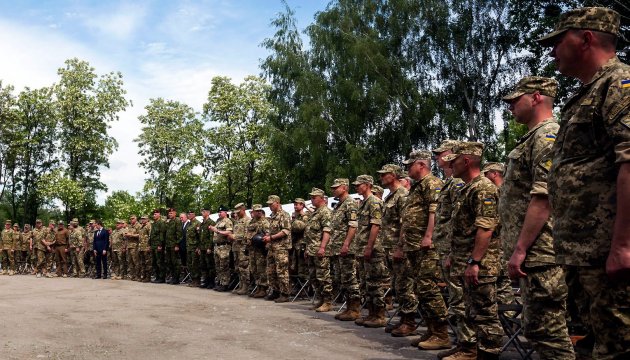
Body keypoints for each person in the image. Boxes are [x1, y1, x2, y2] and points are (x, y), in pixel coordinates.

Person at [537, 7, 630, 359]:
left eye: (558, 41)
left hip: (608, 252)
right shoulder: (586, 93)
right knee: (594, 345)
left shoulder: (620, 85)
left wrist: (624, 245)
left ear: (586, 38)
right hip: (584, 254)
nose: (551, 51)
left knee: (617, 347)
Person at [499, 76, 575, 359]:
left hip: (541, 252)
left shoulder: (547, 135)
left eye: (516, 100)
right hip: (534, 253)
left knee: (548, 332)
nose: (511, 107)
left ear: (537, 97)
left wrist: (520, 249)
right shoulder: (533, 137)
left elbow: (543, 198)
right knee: (536, 329)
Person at [443, 142, 504, 360]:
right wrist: (454, 255)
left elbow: (485, 228)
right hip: (465, 260)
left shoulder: (484, 188)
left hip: (481, 265)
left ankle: (489, 354)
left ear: (466, 161)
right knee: (470, 312)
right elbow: (462, 229)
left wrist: (475, 262)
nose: (451, 166)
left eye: (454, 161)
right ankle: (469, 349)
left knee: (485, 314)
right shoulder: (467, 188)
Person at [375, 164, 409, 334]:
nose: (381, 177)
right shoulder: (390, 196)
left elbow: (405, 223)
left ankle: (408, 322)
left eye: (385, 174)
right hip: (388, 248)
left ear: (394, 175)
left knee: (404, 285)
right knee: (396, 285)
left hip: (398, 248)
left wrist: (400, 247)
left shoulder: (402, 194)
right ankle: (403, 319)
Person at [352, 175, 390, 328]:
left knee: (375, 283)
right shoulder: (363, 203)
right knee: (366, 283)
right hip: (362, 249)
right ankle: (371, 313)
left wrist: (369, 247)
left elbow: (376, 226)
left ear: (367, 185)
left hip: (373, 249)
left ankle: (379, 315)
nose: (356, 187)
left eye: (358, 185)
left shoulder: (374, 202)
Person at [330, 178, 361, 321]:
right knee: (344, 279)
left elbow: (353, 225)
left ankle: (354, 309)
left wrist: (346, 244)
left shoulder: (350, 203)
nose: (333, 190)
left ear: (344, 188)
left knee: (350, 278)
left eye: (336, 187)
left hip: (346, 248)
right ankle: (349, 307)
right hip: (337, 247)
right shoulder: (339, 205)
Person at [304, 188, 334, 310]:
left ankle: (328, 301)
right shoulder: (315, 213)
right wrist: (307, 249)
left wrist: (322, 247)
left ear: (322, 198)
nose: (312, 199)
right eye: (311, 197)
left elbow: (327, 231)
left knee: (323, 276)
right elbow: (310, 233)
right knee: (313, 277)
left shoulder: (325, 212)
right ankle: (321, 299)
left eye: (314, 197)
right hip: (311, 249)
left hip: (320, 250)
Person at [263, 195, 292, 302]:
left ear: (278, 203)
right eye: (269, 204)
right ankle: (275, 291)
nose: (269, 206)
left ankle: (285, 293)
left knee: (282, 271)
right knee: (271, 271)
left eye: (271, 204)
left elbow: (285, 231)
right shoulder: (272, 216)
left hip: (281, 248)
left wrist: (271, 238)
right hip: (272, 248)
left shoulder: (284, 215)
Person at [247, 204, 271, 298]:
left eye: (260, 210)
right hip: (252, 249)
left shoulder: (264, 222)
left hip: (260, 250)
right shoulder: (251, 222)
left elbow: (268, 234)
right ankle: (258, 287)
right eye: (256, 211)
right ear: (253, 212)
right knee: (254, 269)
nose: (259, 212)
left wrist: (266, 247)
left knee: (261, 269)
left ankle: (263, 288)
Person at [209, 206, 233, 292]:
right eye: (218, 212)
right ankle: (220, 282)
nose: (219, 213)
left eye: (221, 212)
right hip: (217, 246)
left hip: (224, 246)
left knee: (224, 266)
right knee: (218, 266)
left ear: (226, 212)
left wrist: (217, 231)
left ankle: (225, 284)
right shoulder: (218, 222)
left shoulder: (228, 221)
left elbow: (229, 232)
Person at [229, 204, 251, 294]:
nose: (237, 214)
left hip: (243, 247)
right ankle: (241, 285)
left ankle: (246, 286)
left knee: (244, 267)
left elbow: (247, 235)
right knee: (237, 267)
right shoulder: (237, 220)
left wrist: (234, 236)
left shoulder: (248, 220)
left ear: (243, 209)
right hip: (236, 247)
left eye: (239, 212)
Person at [164, 208, 183, 285]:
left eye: (171, 213)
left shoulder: (177, 221)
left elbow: (179, 234)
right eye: (169, 213)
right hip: (168, 245)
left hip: (174, 245)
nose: (170, 214)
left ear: (175, 213)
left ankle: (176, 278)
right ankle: (172, 277)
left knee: (175, 262)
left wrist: (177, 244)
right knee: (169, 262)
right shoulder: (169, 222)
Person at [199, 207, 216, 289]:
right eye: (202, 211)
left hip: (207, 248)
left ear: (208, 213)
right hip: (202, 247)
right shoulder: (202, 224)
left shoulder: (211, 222)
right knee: (203, 265)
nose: (202, 213)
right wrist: (199, 247)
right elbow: (200, 237)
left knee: (210, 265)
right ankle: (205, 281)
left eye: (204, 211)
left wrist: (210, 247)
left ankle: (211, 282)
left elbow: (211, 236)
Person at [150, 209, 166, 283]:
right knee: (155, 262)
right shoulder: (154, 223)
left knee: (160, 262)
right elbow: (152, 235)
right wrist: (150, 244)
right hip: (153, 245)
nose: (154, 215)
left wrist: (160, 245)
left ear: (159, 214)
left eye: (156, 214)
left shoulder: (161, 223)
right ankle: (157, 276)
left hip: (158, 245)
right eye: (153, 214)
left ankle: (161, 277)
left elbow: (161, 234)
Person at [138, 215, 152, 282]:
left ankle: (148, 277)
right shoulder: (141, 226)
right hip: (141, 247)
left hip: (146, 247)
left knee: (147, 263)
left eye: (144, 219)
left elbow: (150, 236)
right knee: (142, 263)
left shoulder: (149, 226)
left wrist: (149, 245)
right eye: (142, 219)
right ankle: (143, 276)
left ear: (147, 219)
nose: (142, 220)